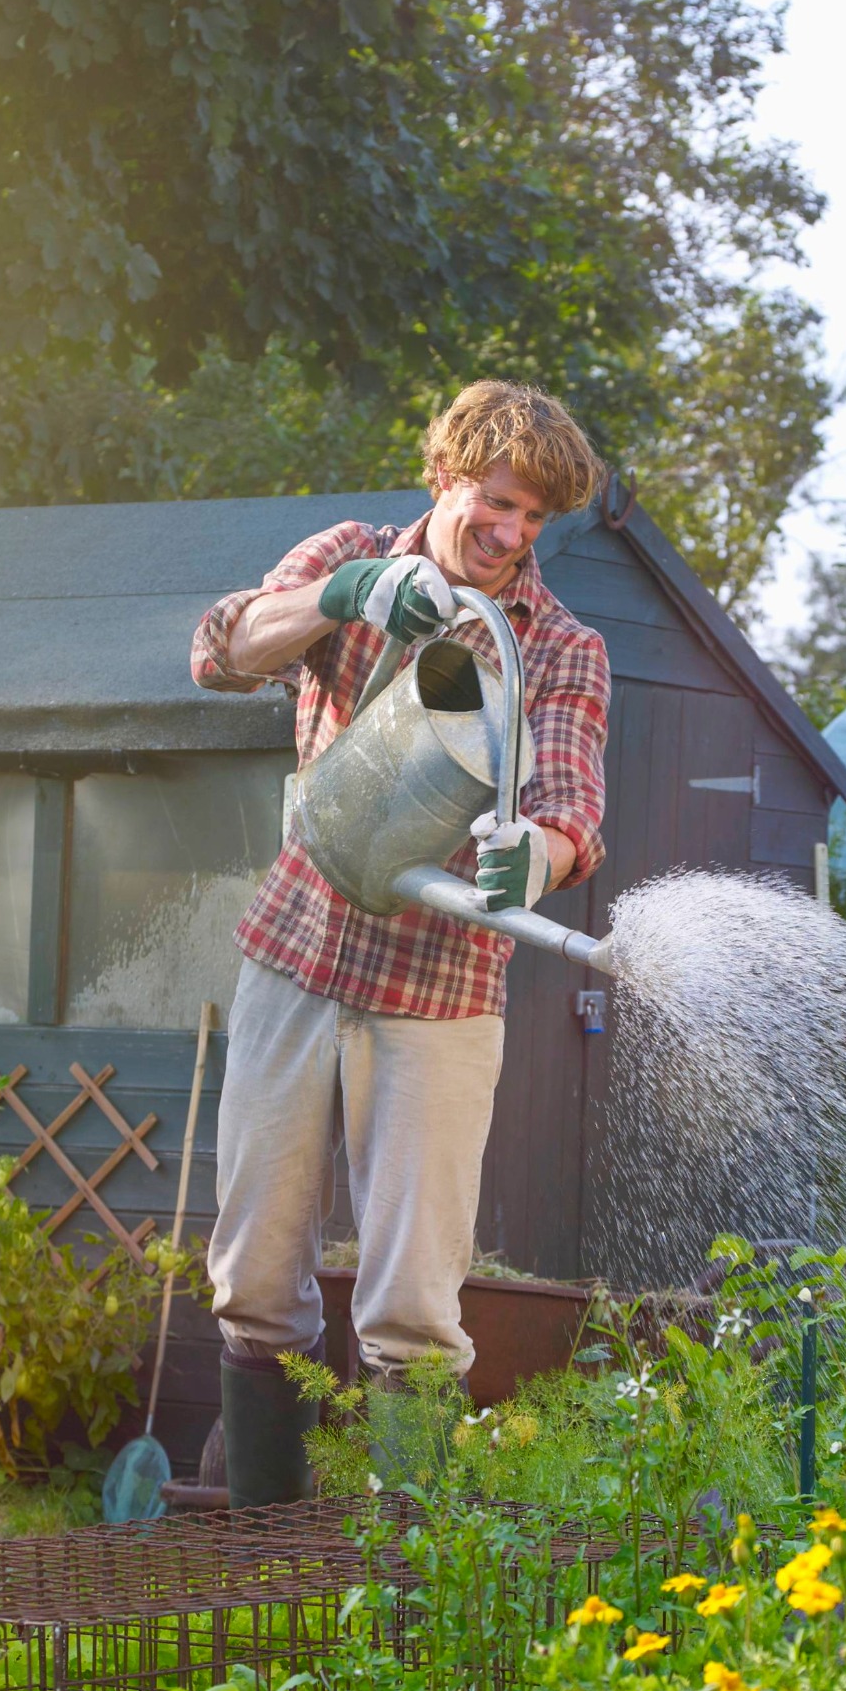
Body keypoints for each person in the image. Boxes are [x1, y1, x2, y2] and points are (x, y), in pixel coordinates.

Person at [189, 379, 612, 1505]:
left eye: (533, 520)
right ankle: (260, 1552)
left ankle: (401, 1584)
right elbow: (220, 650)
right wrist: (344, 593)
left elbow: (572, 799)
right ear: (445, 473)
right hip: (296, 948)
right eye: (498, 501)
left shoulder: (560, 647)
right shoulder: (352, 554)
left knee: (415, 1303)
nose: (511, 535)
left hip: (440, 987)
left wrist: (544, 853)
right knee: (254, 1270)